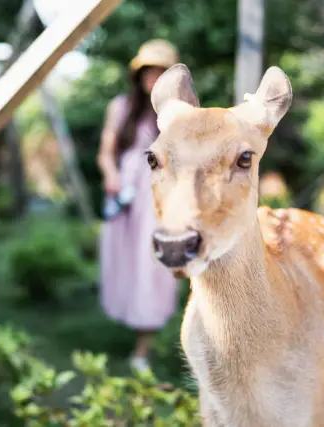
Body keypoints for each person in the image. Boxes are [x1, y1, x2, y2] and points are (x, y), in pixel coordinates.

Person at [96, 39, 180, 373]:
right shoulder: (121, 107)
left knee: (152, 265)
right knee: (125, 263)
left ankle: (142, 349)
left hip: (157, 195)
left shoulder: (175, 113)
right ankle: (131, 324)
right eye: (149, 69)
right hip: (125, 192)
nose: (153, 76)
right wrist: (111, 174)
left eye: (160, 70)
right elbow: (105, 152)